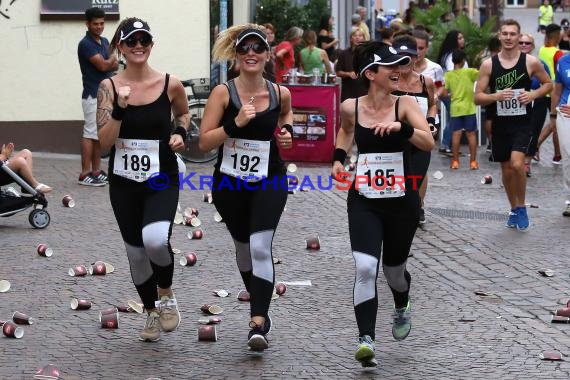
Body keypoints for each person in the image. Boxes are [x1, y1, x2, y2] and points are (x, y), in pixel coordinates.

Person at [331, 41, 434, 367]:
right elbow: (346, 132)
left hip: (402, 201)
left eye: (400, 65)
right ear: (371, 73)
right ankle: (366, 339)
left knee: (394, 272)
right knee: (365, 268)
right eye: (391, 66)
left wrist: (402, 129)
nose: (398, 71)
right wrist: (337, 158)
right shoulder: (352, 106)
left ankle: (401, 303)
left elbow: (427, 140)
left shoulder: (404, 104)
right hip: (364, 199)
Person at [199, 24, 293, 352]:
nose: (251, 54)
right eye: (244, 49)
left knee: (260, 246)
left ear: (268, 55)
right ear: (236, 57)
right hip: (230, 184)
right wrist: (233, 124)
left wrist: (287, 132)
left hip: (270, 179)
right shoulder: (224, 93)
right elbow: (203, 142)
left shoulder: (280, 93)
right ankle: (259, 297)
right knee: (243, 248)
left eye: (258, 48)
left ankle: (258, 321)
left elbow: (286, 116)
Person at [96, 17, 189, 342]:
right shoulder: (108, 88)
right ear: (120, 47)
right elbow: (105, 142)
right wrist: (120, 109)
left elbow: (184, 114)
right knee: (136, 253)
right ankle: (150, 312)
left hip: (162, 178)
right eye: (131, 41)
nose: (138, 46)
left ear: (151, 45)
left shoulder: (169, 83)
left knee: (154, 240)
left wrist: (180, 132)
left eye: (144, 41)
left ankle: (166, 294)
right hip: (123, 183)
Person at [474, 19, 552, 231]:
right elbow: (477, 98)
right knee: (506, 170)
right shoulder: (489, 64)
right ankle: (514, 208)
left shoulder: (531, 62)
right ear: (499, 36)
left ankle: (522, 206)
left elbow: (548, 84)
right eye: (505, 34)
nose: (508, 38)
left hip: (522, 123)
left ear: (519, 37)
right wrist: (496, 96)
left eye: (513, 34)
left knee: (517, 164)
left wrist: (533, 94)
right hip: (500, 124)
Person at [392, 35, 438, 226]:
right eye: (400, 56)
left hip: (419, 137)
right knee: (399, 176)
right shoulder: (389, 81)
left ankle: (416, 206)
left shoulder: (425, 81)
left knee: (417, 175)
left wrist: (430, 122)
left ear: (416, 57)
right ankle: (402, 210)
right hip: (395, 138)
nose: (405, 61)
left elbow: (433, 105)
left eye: (408, 56)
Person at [77, 7, 118, 187]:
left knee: (98, 134)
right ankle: (85, 173)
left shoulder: (104, 41)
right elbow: (104, 66)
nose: (99, 27)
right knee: (89, 133)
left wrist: (109, 63)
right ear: (87, 24)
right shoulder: (85, 44)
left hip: (104, 95)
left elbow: (113, 64)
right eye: (95, 24)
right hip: (92, 95)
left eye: (102, 23)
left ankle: (96, 170)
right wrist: (109, 62)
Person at [519, 33, 551, 178]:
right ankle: (516, 161)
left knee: (533, 132)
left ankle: (527, 163)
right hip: (516, 103)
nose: (524, 45)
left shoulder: (540, 64)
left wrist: (534, 93)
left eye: (527, 43)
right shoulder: (509, 62)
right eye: (521, 42)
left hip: (538, 102)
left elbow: (549, 84)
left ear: (532, 46)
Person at [442, 49, 480, 170]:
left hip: (455, 108)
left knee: (456, 134)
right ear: (463, 60)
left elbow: (444, 91)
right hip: (469, 108)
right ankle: (473, 162)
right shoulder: (470, 72)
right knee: (471, 134)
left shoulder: (448, 75)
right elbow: (483, 76)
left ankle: (455, 161)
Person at [536, 23, 564, 164]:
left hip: (544, 90)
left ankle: (558, 154)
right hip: (555, 92)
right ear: (557, 36)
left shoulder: (542, 50)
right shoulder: (558, 54)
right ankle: (536, 146)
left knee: (555, 124)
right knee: (555, 123)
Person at [436, 30, 467, 155]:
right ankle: (446, 145)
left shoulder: (450, 54)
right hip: (452, 92)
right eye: (459, 38)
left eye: (462, 37)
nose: (462, 40)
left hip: (450, 91)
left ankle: (447, 145)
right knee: (455, 118)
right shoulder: (452, 56)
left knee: (454, 118)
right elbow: (453, 73)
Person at [548, 48, 570, 216]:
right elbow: (557, 89)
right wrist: (553, 115)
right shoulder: (563, 61)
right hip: (565, 113)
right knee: (568, 155)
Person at [335, 28, 367, 102]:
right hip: (348, 91)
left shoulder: (367, 54)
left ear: (364, 38)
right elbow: (338, 72)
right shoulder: (344, 54)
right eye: (355, 35)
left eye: (360, 35)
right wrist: (348, 74)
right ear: (350, 39)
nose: (357, 37)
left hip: (364, 90)